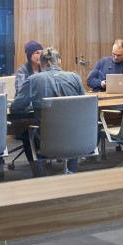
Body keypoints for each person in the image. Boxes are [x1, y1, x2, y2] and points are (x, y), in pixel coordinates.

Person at [10, 46, 86, 176]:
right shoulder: (75, 78)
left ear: (41, 63)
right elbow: (83, 104)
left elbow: (15, 107)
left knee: (26, 133)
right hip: (75, 137)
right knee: (71, 128)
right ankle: (72, 170)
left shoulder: (34, 80)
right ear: (60, 61)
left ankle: (39, 175)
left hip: (46, 139)